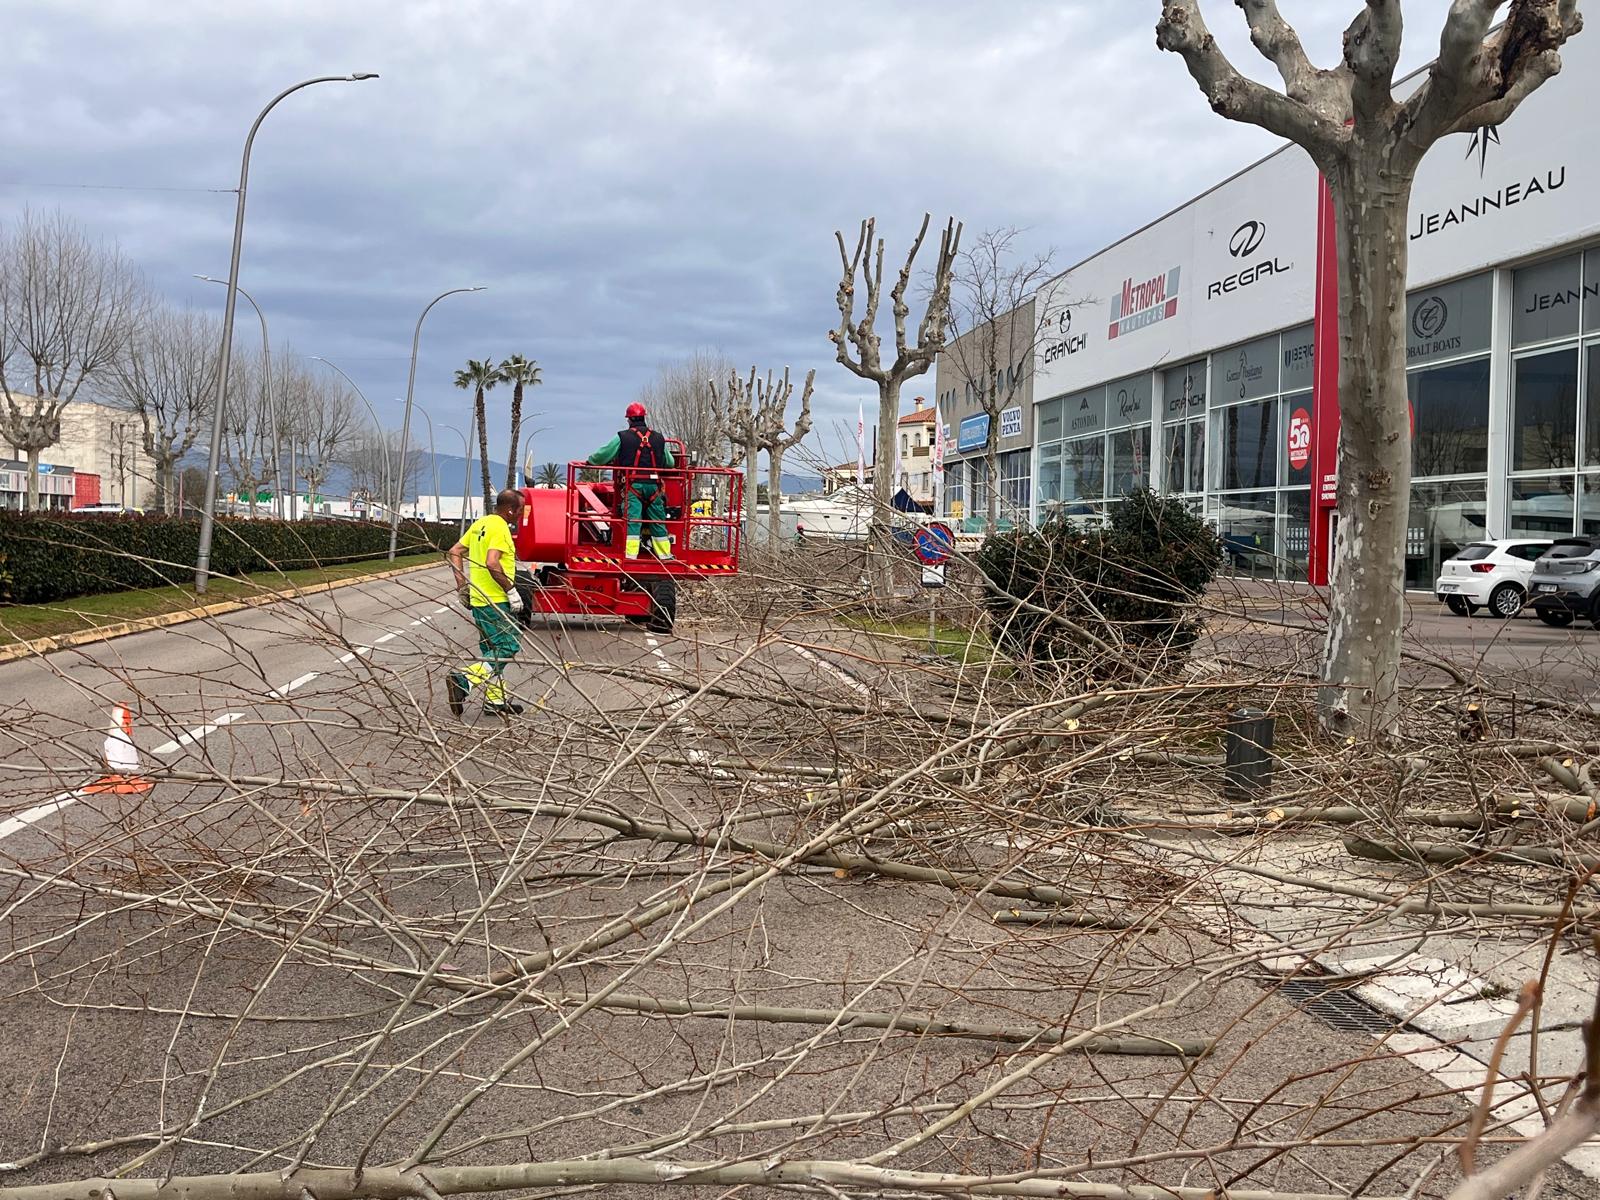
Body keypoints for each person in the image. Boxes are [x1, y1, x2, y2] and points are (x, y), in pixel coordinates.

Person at [445, 489, 527, 717]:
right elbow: (493, 563)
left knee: (491, 651)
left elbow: (455, 551)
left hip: (480, 601)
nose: (521, 515)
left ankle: (495, 701)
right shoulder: (500, 528)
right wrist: (511, 590)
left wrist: (462, 585)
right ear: (511, 510)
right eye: (520, 510)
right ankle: (463, 680)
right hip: (496, 602)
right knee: (507, 647)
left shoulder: (481, 524)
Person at [589, 402, 675, 561]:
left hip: (634, 487)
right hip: (655, 488)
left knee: (633, 521)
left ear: (628, 420)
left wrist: (591, 462)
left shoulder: (622, 437)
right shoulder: (658, 438)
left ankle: (631, 557)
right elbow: (670, 463)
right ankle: (665, 556)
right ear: (644, 417)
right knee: (658, 521)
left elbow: (602, 455)